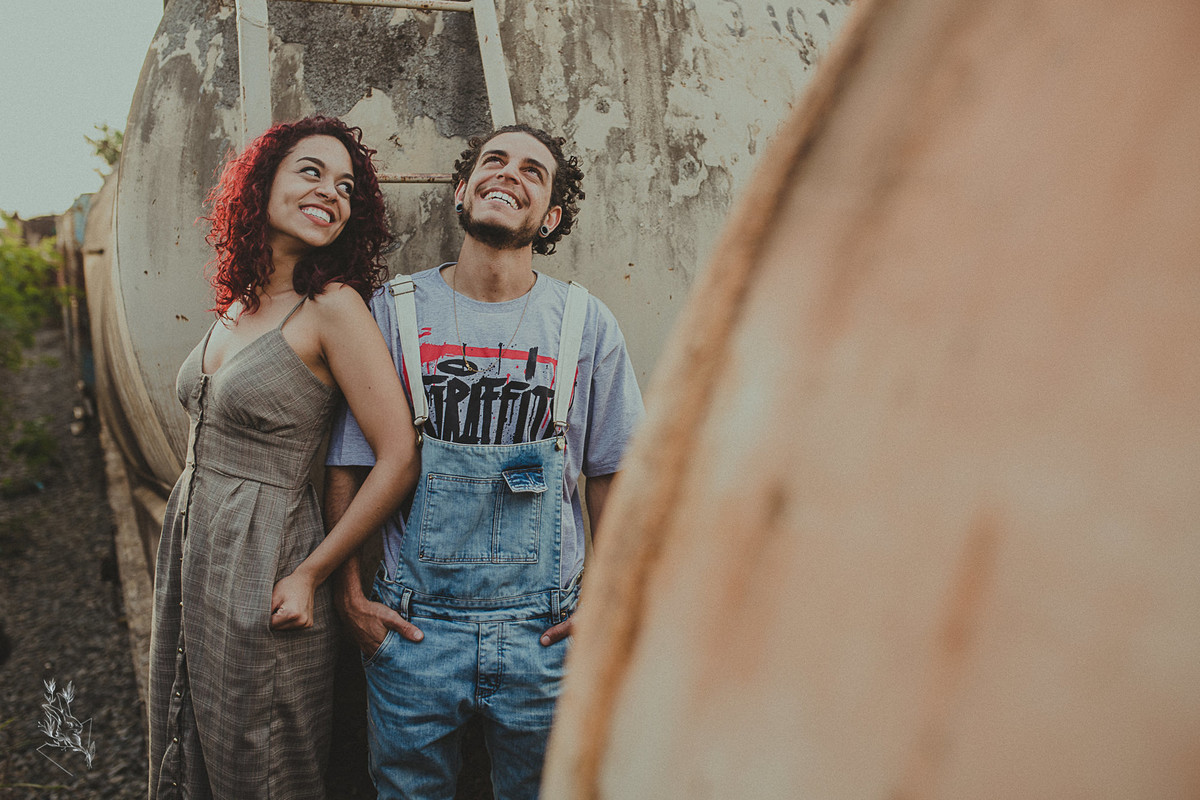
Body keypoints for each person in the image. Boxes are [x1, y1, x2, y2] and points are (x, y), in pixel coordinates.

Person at [325, 124, 644, 799]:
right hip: (413, 631)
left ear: (550, 217)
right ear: (462, 191)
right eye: (494, 161)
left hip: (546, 633)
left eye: (532, 171)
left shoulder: (585, 324)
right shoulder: (393, 312)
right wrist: (350, 597)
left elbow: (613, 476)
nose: (508, 173)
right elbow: (348, 462)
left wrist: (609, 601)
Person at [148, 115, 419, 799]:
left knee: (262, 762)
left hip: (267, 561)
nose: (331, 191)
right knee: (188, 731)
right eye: (311, 171)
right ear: (261, 182)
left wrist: (312, 575)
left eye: (347, 187)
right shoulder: (239, 303)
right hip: (194, 554)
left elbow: (399, 457)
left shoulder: (332, 308)